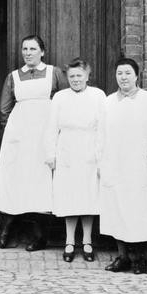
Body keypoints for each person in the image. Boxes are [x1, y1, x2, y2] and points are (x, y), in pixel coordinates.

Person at [0, 34, 68, 250]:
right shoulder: (14, 76)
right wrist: (15, 132)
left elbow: (64, 102)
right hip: (19, 136)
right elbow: (4, 109)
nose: (28, 53)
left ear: (42, 52)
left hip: (45, 133)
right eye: (24, 49)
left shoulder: (54, 73)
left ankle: (40, 235)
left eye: (33, 49)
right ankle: (6, 228)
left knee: (41, 181)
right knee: (15, 179)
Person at [98, 56, 147, 275]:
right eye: (119, 73)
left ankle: (139, 257)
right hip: (114, 162)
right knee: (116, 207)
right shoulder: (107, 102)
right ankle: (122, 256)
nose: (123, 77)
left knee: (138, 210)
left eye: (127, 73)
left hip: (139, 164)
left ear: (136, 75)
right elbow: (101, 134)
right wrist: (101, 161)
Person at [44, 58, 105, 263]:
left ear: (87, 76)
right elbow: (51, 127)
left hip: (90, 150)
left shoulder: (98, 96)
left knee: (88, 197)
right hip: (67, 150)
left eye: (79, 75)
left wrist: (101, 156)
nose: (76, 79)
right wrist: (50, 154)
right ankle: (69, 241)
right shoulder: (60, 97)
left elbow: (104, 129)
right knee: (69, 197)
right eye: (72, 76)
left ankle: (87, 241)